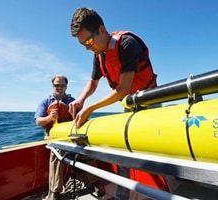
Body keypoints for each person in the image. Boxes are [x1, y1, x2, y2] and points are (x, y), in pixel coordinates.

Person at [69, 7, 159, 200]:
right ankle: (122, 197)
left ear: (101, 30)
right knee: (123, 150)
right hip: (129, 105)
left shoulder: (127, 44)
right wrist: (81, 99)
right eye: (83, 44)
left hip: (150, 102)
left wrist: (90, 109)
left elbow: (123, 89)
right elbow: (93, 83)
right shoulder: (98, 53)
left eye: (88, 41)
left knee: (154, 148)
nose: (87, 48)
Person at [34, 74, 75, 200]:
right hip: (53, 135)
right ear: (53, 86)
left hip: (69, 133)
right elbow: (38, 121)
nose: (59, 87)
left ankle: (94, 182)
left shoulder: (73, 101)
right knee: (57, 153)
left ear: (66, 87)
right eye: (57, 85)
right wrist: (49, 118)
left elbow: (80, 117)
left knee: (85, 149)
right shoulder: (45, 102)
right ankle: (55, 191)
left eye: (62, 85)